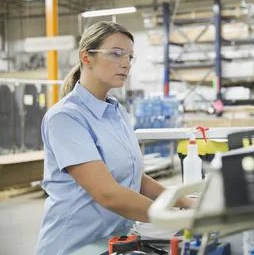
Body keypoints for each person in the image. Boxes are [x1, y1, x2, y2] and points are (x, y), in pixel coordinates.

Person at [35, 21, 194, 254]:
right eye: (116, 54)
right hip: (75, 247)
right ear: (86, 58)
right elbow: (108, 194)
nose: (125, 64)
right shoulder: (65, 118)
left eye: (130, 57)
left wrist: (187, 202)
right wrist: (174, 219)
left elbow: (136, 180)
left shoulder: (117, 111)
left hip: (116, 242)